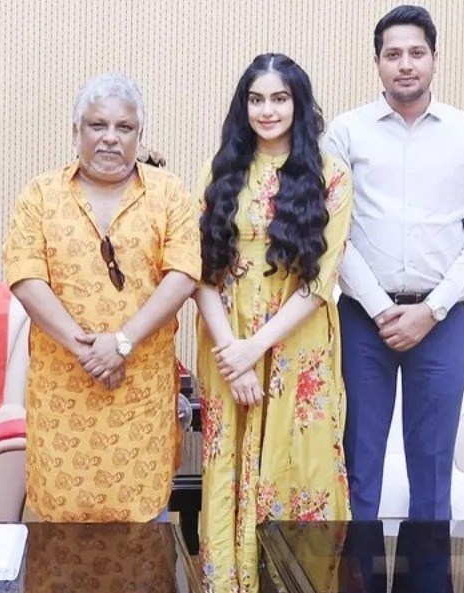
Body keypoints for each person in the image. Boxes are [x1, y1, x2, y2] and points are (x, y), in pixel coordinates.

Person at [4, 73, 199, 522]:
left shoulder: (168, 193)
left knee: (143, 530)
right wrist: (90, 351)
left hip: (139, 395)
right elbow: (26, 277)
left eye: (123, 127)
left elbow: (184, 273)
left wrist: (122, 343)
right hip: (63, 393)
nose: (110, 137)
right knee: (59, 529)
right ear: (76, 131)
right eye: (97, 125)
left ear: (139, 135)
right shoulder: (40, 194)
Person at [194, 53, 353, 592]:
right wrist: (233, 355)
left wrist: (254, 348)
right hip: (227, 343)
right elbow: (200, 273)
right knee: (227, 468)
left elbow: (319, 282)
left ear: (298, 104)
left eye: (279, 99)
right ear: (243, 107)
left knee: (296, 467)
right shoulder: (220, 172)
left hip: (295, 346)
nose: (267, 110)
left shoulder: (331, 176)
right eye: (256, 99)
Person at [323, 4, 464, 522]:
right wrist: (381, 308)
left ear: (434, 59)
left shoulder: (461, 132)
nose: (405, 64)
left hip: (444, 317)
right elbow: (332, 232)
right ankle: (356, 565)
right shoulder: (345, 133)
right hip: (364, 318)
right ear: (378, 62)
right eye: (393, 54)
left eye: (416, 53)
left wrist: (433, 308)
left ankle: (428, 568)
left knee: (433, 467)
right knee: (358, 462)